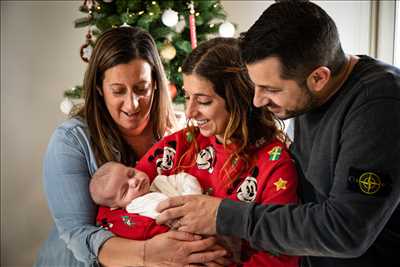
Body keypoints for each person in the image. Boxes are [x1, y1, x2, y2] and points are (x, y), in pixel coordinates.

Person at [155, 1, 400, 267]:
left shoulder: (380, 106)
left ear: (318, 77)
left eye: (270, 89)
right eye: (255, 86)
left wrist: (224, 216)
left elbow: (345, 231)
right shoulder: (313, 94)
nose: (258, 101)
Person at [35, 26, 226, 267]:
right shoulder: (71, 141)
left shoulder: (179, 134)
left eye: (141, 88)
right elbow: (78, 234)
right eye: (117, 91)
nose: (132, 103)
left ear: (156, 84)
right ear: (99, 89)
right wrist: (147, 254)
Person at [130, 37, 300, 267]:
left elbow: (281, 257)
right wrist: (155, 248)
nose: (189, 112)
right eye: (187, 97)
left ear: (238, 98)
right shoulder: (180, 145)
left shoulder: (275, 165)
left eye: (203, 101)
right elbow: (115, 203)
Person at [89, 161, 202, 240]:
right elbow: (173, 216)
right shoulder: (137, 206)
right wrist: (192, 202)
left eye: (131, 173)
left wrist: (193, 200)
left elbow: (185, 178)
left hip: (199, 216)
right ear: (115, 206)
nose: (134, 182)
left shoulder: (159, 181)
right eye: (125, 190)